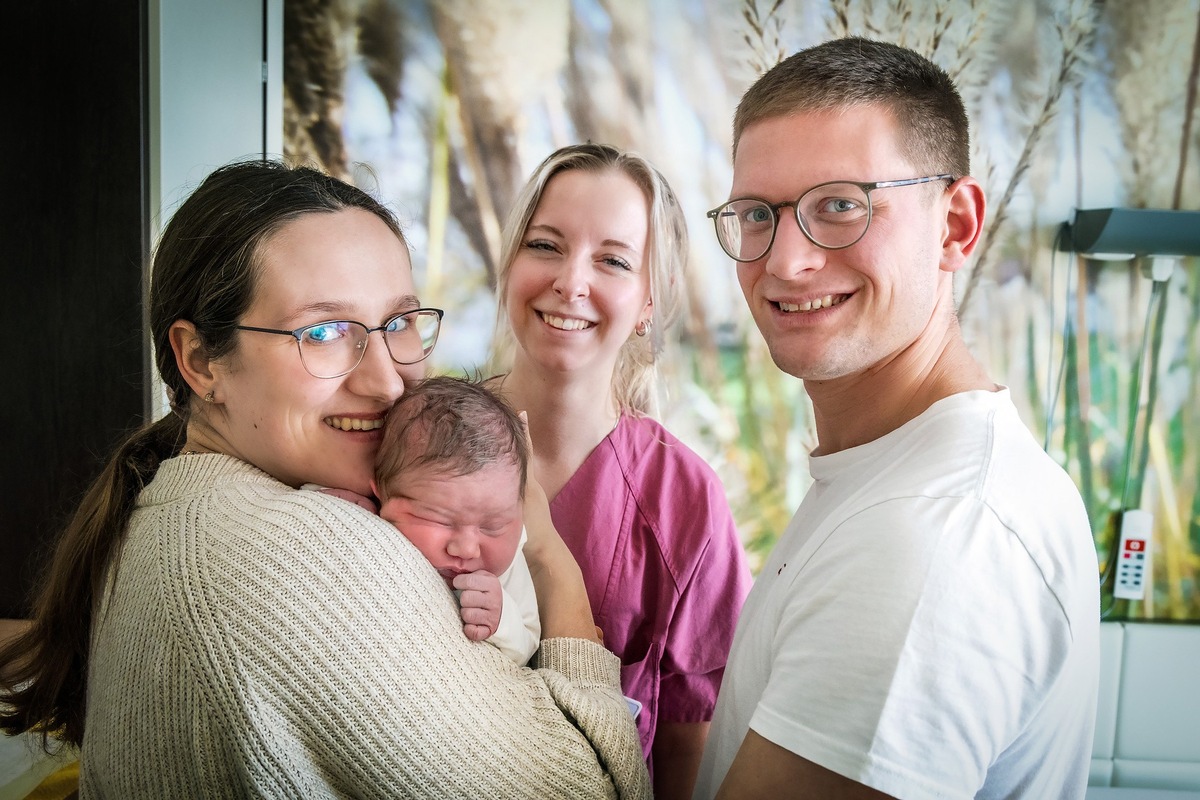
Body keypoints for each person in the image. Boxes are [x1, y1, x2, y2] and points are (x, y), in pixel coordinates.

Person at [0, 160, 649, 798]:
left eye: (397, 323)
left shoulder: (176, 501)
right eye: (323, 331)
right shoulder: (294, 558)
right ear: (199, 361)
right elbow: (601, 787)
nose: (387, 379)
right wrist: (547, 554)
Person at [693, 37, 1100, 799]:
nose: (784, 262)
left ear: (954, 226)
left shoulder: (931, 532)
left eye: (840, 206)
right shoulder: (898, 476)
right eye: (757, 214)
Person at [490, 142, 753, 800]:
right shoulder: (419, 434)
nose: (570, 281)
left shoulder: (684, 500)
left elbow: (688, 740)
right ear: (511, 265)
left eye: (612, 260)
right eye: (545, 245)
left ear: (646, 302)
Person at [371, 374, 540, 665]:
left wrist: (502, 619)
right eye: (440, 520)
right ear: (379, 492)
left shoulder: (509, 565)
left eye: (493, 526)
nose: (466, 549)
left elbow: (529, 643)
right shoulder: (364, 517)